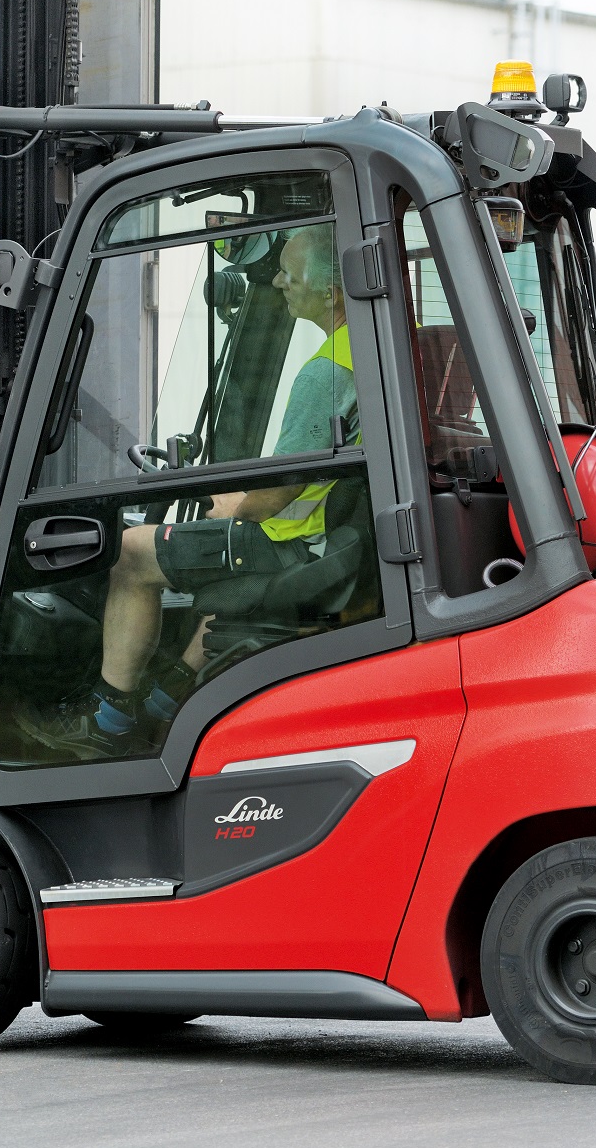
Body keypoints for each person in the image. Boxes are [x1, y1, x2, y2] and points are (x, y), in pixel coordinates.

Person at [27, 221, 360, 757]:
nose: (276, 282)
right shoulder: (366, 350)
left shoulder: (325, 373)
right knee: (217, 567)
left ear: (330, 292)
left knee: (132, 555)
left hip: (292, 541)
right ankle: (163, 707)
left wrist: (232, 504)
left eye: (287, 273)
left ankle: (105, 722)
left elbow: (275, 493)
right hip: (324, 541)